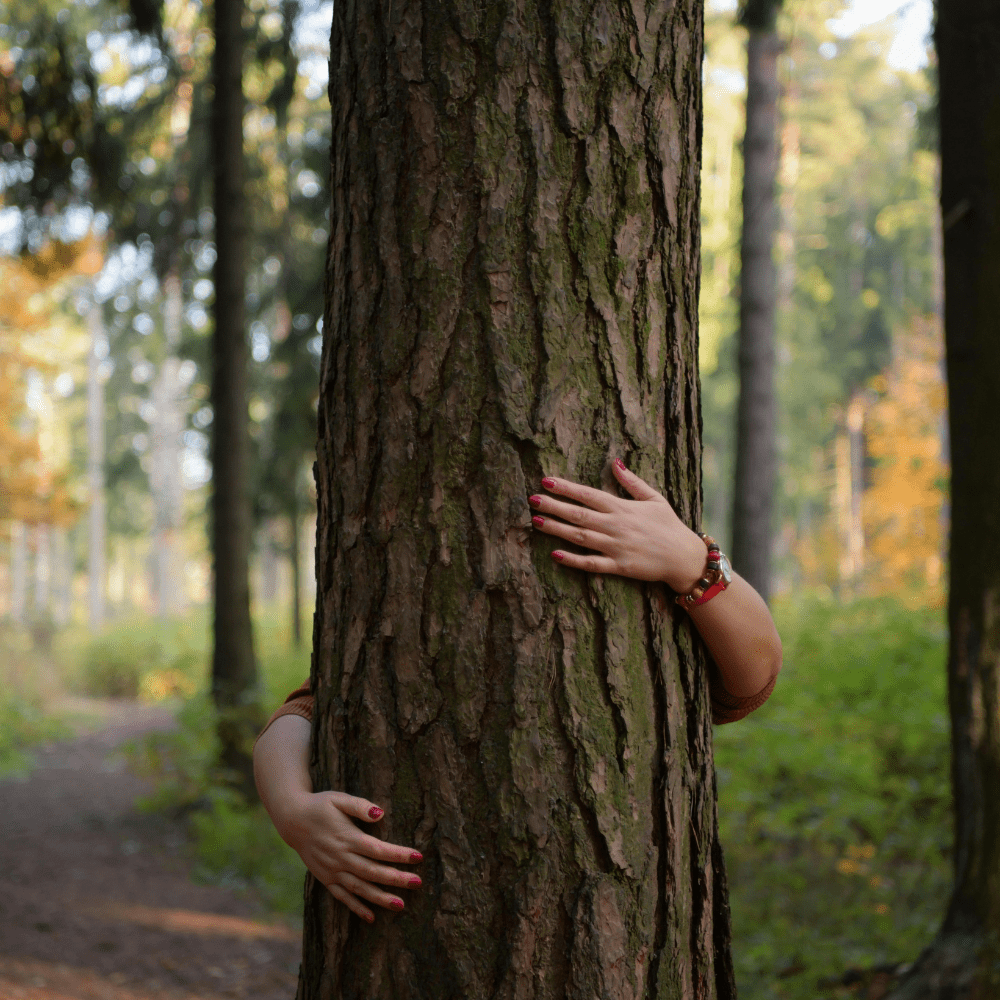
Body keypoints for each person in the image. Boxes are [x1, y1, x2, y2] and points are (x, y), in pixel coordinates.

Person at [253, 459, 782, 925]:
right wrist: (292, 809)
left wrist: (692, 560)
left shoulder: (660, 569)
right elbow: (306, 708)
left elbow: (749, 683)